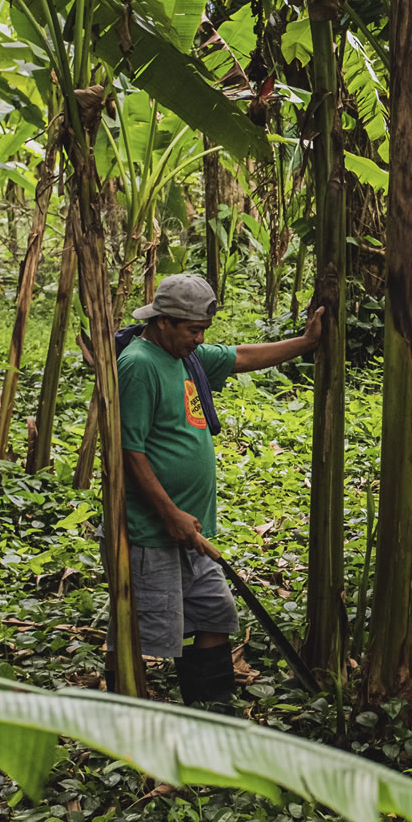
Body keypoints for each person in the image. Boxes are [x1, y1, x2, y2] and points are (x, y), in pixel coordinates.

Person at [113, 272, 325, 710]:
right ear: (164, 321)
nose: (199, 338)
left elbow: (242, 355)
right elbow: (128, 451)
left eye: (203, 331)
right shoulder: (138, 364)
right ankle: (127, 719)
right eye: (193, 330)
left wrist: (305, 344)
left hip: (193, 530)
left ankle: (212, 712)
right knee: (146, 635)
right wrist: (170, 514)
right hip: (153, 531)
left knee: (214, 614)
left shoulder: (186, 357)